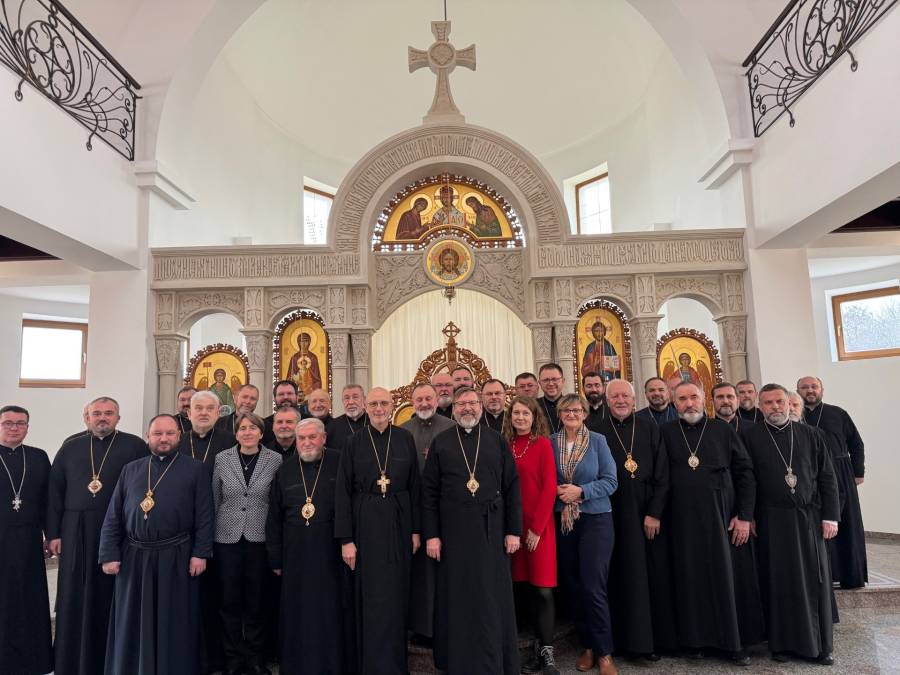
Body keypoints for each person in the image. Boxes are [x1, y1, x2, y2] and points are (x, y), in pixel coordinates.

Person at [99, 414, 214, 675]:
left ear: (178, 437)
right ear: (148, 437)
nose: (163, 439)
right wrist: (108, 553)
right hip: (134, 556)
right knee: (132, 618)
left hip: (177, 555)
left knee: (173, 619)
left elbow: (205, 515)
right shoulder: (132, 469)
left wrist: (200, 553)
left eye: (169, 434)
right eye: (157, 433)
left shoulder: (195, 469)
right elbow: (114, 514)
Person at [659, 382, 763, 665]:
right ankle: (695, 641)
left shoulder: (722, 429)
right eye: (682, 399)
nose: (689, 403)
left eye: (693, 397)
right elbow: (661, 478)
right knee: (689, 579)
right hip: (682, 522)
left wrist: (744, 516)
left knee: (726, 579)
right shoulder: (666, 432)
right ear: (674, 402)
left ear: (704, 399)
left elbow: (745, 474)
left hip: (723, 519)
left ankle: (734, 644)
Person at [424, 387, 522, 674]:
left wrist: (513, 531)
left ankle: (493, 660)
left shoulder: (496, 440)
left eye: (472, 403)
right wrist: (432, 534)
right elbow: (429, 493)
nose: (467, 408)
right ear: (453, 409)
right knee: (458, 597)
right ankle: (458, 662)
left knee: (491, 597)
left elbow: (512, 487)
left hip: (491, 532)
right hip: (453, 535)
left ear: (480, 406)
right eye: (461, 404)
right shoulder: (441, 443)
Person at [46, 396, 148, 675]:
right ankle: (71, 660)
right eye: (97, 413)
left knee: (113, 594)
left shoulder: (135, 446)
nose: (102, 418)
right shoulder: (70, 447)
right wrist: (53, 533)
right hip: (74, 529)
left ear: (118, 417)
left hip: (119, 531)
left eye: (108, 413)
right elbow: (55, 492)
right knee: (74, 595)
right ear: (86, 417)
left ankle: (114, 658)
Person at [744, 384, 840, 665]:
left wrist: (830, 516)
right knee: (778, 581)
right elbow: (746, 479)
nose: (775, 407)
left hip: (808, 518)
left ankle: (822, 647)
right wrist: (748, 515)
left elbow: (827, 477)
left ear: (789, 403)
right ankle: (782, 645)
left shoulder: (812, 434)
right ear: (760, 407)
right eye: (769, 403)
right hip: (771, 519)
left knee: (816, 581)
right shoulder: (751, 436)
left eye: (780, 402)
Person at [335, 387, 421, 674]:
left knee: (397, 595)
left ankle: (396, 665)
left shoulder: (405, 438)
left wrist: (416, 531)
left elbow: (415, 487)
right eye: (373, 403)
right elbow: (343, 492)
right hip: (365, 525)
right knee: (371, 595)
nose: (379, 408)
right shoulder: (353, 442)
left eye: (384, 403)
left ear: (393, 405)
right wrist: (346, 540)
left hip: (399, 521)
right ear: (365, 406)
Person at [267, 418, 355, 674]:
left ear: (324, 438)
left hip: (331, 549)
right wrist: (275, 557)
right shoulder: (285, 470)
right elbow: (274, 516)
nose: (307, 443)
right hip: (295, 552)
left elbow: (351, 504)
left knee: (331, 608)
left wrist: (349, 540)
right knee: (299, 611)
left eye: (312, 437)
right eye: (301, 438)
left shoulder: (339, 462)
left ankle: (333, 665)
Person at [599, 380, 676, 661]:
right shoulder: (597, 431)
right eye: (615, 396)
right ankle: (620, 642)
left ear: (634, 399)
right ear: (607, 401)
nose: (620, 400)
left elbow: (663, 475)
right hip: (611, 513)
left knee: (649, 578)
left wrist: (654, 513)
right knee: (618, 578)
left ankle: (649, 643)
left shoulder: (650, 428)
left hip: (646, 513)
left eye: (625, 396)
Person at [550, 393, 618, 675]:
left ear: (585, 413)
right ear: (560, 413)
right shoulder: (550, 443)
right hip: (563, 522)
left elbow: (611, 481)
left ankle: (604, 653)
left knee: (593, 586)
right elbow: (544, 477)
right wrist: (556, 490)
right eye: (566, 410)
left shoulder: (598, 441)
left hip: (595, 519)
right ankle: (588, 647)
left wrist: (582, 492)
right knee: (574, 586)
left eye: (577, 409)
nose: (572, 414)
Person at [212, 412, 282, 675]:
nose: (247, 432)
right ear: (237, 433)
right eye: (242, 428)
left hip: (259, 539)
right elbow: (214, 498)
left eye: (253, 428)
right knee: (229, 601)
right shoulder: (222, 458)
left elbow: (275, 502)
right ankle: (232, 657)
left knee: (256, 601)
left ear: (262, 433)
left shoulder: (274, 460)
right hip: (227, 539)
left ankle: (255, 657)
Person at [178, 390, 235, 673]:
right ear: (188, 413)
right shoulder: (175, 440)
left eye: (208, 408)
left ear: (218, 413)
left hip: (220, 530)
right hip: (179, 530)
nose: (202, 412)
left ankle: (215, 658)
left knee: (215, 597)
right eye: (197, 408)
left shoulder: (229, 442)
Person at [501, 396, 558, 675]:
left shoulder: (543, 445)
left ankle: (546, 653)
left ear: (535, 417)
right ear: (509, 417)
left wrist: (536, 528)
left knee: (543, 590)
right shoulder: (504, 445)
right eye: (516, 413)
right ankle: (513, 649)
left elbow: (549, 488)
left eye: (526, 413)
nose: (520, 418)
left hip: (539, 528)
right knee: (517, 588)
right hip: (511, 528)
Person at [798, 375, 867, 589]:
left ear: (822, 390)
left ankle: (850, 575)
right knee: (819, 525)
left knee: (846, 524)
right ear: (798, 391)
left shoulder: (837, 413)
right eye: (805, 387)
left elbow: (856, 443)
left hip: (841, 472)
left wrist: (858, 472)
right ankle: (823, 576)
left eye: (814, 387)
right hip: (811, 476)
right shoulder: (795, 415)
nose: (810, 390)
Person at [0, 405, 53, 675]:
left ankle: (33, 660)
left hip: (29, 541)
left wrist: (50, 534)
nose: (14, 427)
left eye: (20, 423)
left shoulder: (38, 457)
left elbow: (48, 501)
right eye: (8, 423)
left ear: (28, 427)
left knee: (28, 598)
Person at [401, 383, 456, 643]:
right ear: (412, 402)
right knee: (420, 571)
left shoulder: (451, 427)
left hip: (444, 509)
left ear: (437, 400)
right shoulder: (402, 432)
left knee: (444, 567)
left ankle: (446, 623)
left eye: (428, 398)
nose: (424, 403)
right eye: (419, 399)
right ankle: (422, 627)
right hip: (412, 508)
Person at [181, 391, 236, 472]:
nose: (204, 413)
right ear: (189, 414)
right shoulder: (178, 442)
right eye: (199, 408)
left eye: (210, 408)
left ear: (217, 414)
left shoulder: (231, 441)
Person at [327, 384, 368, 452]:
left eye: (355, 397)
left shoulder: (374, 422)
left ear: (364, 399)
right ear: (342, 401)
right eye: (347, 398)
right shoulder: (332, 426)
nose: (351, 402)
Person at [262, 380, 300, 447]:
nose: (285, 397)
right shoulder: (265, 424)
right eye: (281, 394)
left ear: (297, 397)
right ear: (274, 398)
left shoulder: (309, 421)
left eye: (290, 393)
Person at [286, 332, 324, 398]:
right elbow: (290, 376)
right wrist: (296, 378)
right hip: (298, 389)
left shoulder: (313, 357)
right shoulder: (294, 358)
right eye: (301, 341)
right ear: (298, 343)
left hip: (310, 389)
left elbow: (317, 378)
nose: (303, 344)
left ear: (309, 342)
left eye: (306, 341)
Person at [538, 363, 566, 435]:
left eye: (554, 379)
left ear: (563, 381)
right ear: (540, 383)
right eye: (546, 380)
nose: (550, 383)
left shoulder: (573, 404)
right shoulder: (533, 406)